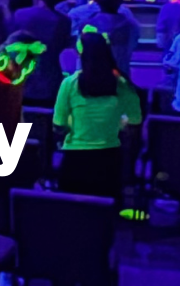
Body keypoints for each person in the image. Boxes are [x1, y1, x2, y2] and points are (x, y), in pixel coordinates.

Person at [52, 33, 141, 200]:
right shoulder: (123, 85)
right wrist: (116, 124)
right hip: (109, 162)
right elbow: (135, 122)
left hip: (74, 160)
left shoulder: (69, 84)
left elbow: (59, 125)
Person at [11, 0, 73, 103]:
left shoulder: (20, 14)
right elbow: (63, 47)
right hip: (49, 82)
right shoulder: (64, 22)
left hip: (19, 80)